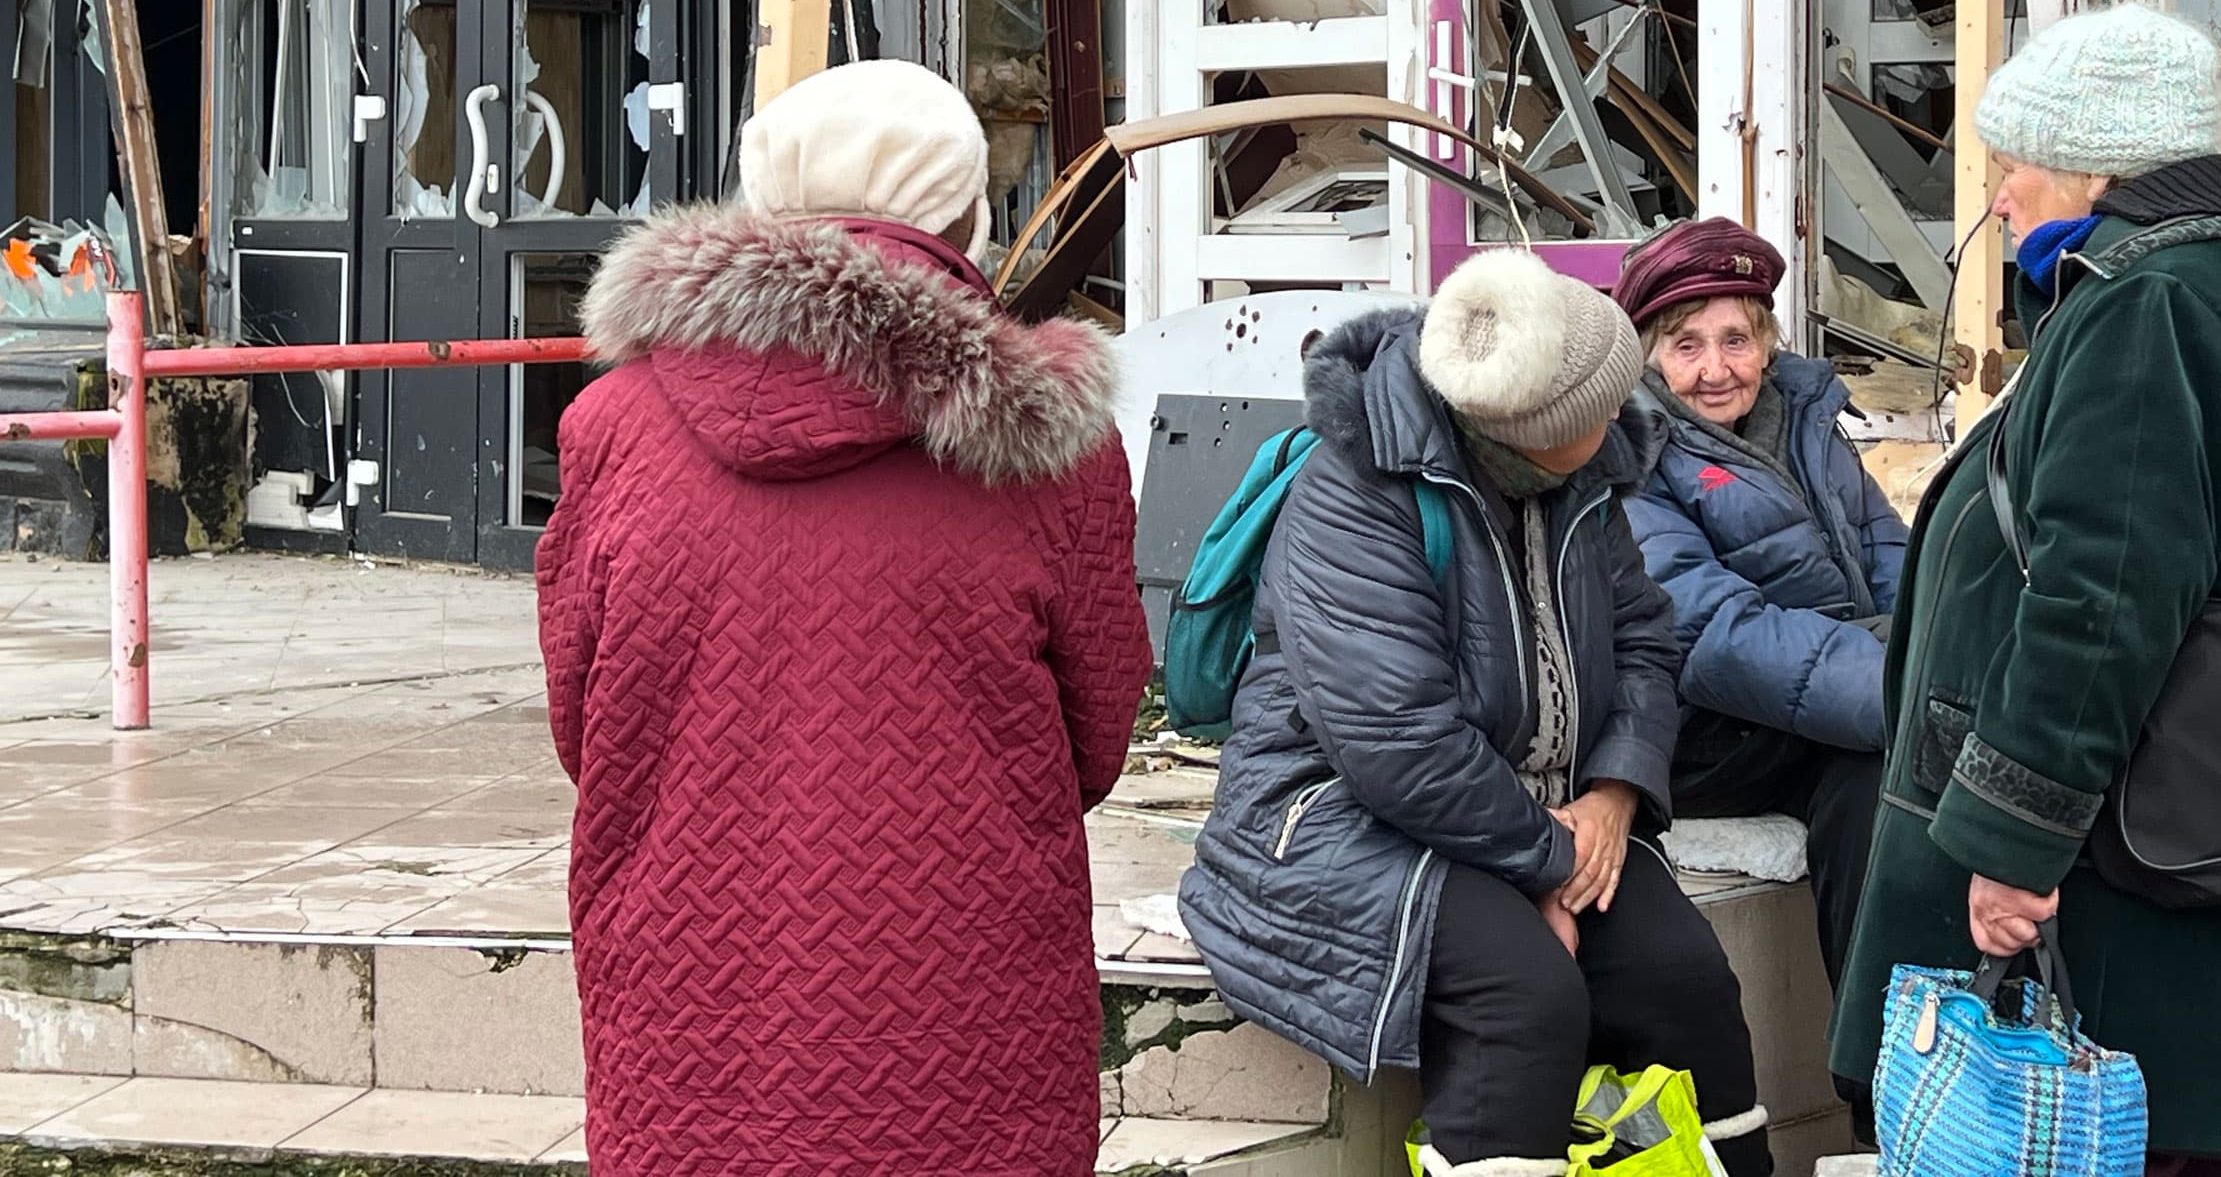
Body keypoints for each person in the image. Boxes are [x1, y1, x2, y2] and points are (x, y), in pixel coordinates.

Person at [536, 60, 1152, 1177]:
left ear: (761, 198)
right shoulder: (1054, 444)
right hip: (966, 997)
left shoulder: (612, 425)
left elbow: (589, 723)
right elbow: (1098, 731)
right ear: (966, 214)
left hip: (692, 990)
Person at [1828, 3, 2221, 1173]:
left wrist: (2009, 845)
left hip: (2121, 858)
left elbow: (2098, 606)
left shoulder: (2150, 308)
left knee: (2119, 1145)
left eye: (2014, 162)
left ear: (2095, 162)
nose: (1999, 196)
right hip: (2178, 830)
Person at [1179, 250, 1772, 1177]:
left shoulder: (1578, 479)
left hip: (1548, 806)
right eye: (1603, 406)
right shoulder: (1354, 497)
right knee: (1524, 997)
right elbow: (1397, 743)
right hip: (1335, 814)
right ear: (1538, 429)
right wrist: (1545, 864)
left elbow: (1649, 642)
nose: (1626, 416)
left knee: (1681, 979)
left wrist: (1616, 791)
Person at [1612, 218, 1902, 990]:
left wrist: (1954, 649)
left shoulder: (1805, 422)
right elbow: (1715, 637)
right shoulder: (1631, 454)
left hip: (1831, 693)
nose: (1716, 369)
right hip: (1701, 728)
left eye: (1735, 340)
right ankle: (1876, 1078)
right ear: (1647, 355)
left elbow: (1892, 558)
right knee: (1877, 782)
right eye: (1686, 345)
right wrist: (1911, 690)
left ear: (1767, 343)